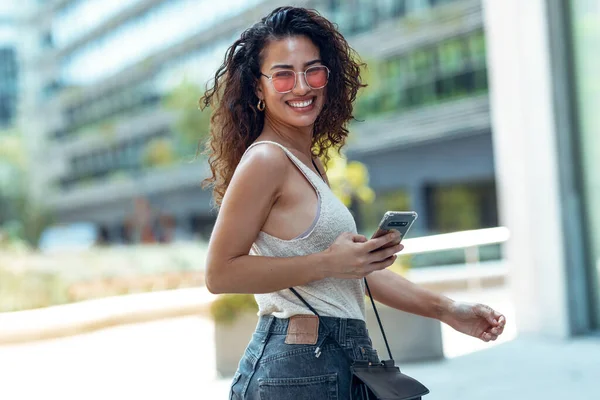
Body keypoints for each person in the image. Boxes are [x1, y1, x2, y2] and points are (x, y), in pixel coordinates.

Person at [201, 7, 506, 399]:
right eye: (282, 75)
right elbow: (219, 273)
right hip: (298, 366)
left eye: (313, 70)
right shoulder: (266, 160)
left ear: (328, 77)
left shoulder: (305, 162)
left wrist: (448, 309)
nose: (301, 86)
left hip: (333, 358)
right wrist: (329, 262)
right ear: (258, 88)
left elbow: (354, 276)